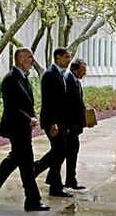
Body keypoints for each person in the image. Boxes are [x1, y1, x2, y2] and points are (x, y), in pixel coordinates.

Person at [0, 47, 50, 212]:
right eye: (29, 57)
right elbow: (11, 106)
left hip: (23, 127)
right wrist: (28, 118)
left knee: (16, 159)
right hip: (16, 127)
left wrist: (31, 117)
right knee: (26, 164)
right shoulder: (10, 78)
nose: (32, 60)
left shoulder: (22, 77)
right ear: (20, 59)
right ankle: (32, 200)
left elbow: (25, 103)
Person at [33, 48, 73, 197]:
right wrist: (53, 123)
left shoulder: (59, 74)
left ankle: (54, 185)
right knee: (60, 151)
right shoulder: (50, 74)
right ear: (58, 58)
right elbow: (49, 101)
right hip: (52, 122)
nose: (69, 60)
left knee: (60, 152)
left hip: (60, 121)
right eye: (66, 57)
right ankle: (37, 168)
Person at [63, 59, 87, 190]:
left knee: (72, 153)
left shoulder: (75, 80)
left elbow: (79, 102)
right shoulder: (68, 80)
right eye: (83, 71)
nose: (84, 74)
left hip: (74, 126)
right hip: (69, 126)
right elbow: (68, 104)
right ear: (76, 69)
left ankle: (71, 179)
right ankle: (38, 169)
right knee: (63, 154)